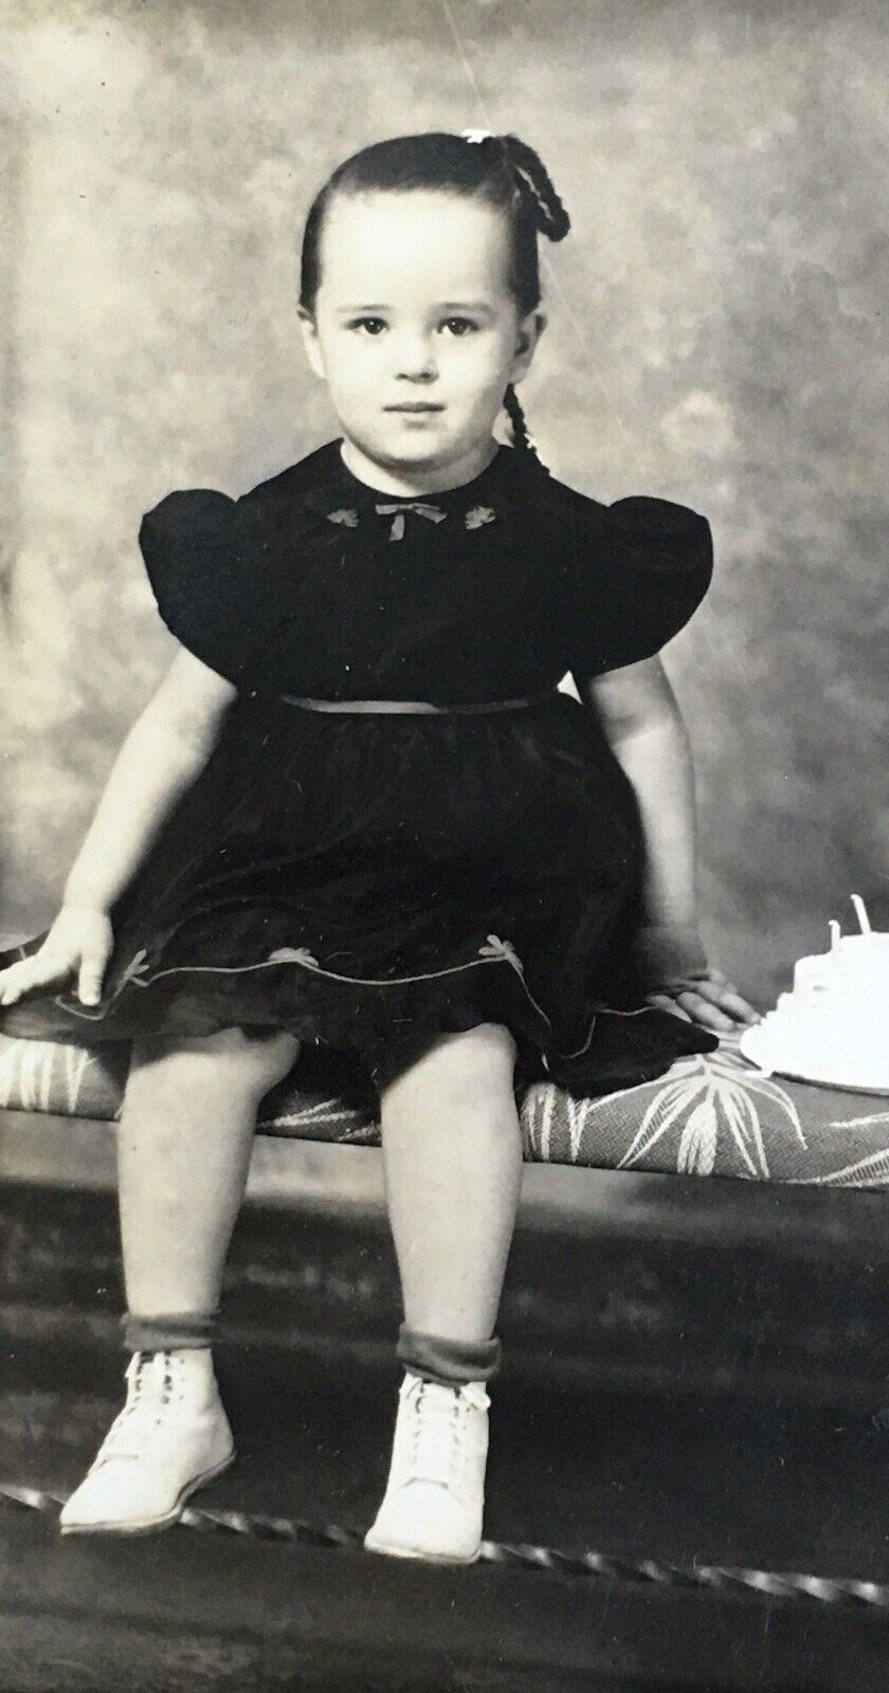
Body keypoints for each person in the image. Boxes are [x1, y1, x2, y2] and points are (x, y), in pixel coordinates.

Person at [0, 130, 758, 1564]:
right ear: (310, 338)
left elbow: (645, 729)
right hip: (284, 844)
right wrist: (90, 902)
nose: (413, 365)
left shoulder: (560, 543)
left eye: (457, 326)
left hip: (494, 853)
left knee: (456, 1055)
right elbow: (176, 730)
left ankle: (443, 1403)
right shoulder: (266, 539)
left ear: (526, 336)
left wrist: (671, 930)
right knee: (189, 1047)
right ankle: (170, 1385)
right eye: (370, 326)